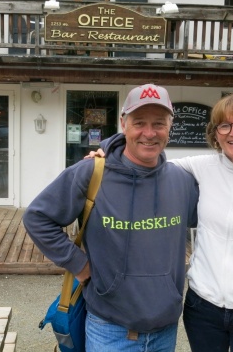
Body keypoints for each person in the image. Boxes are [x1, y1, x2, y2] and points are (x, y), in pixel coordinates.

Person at [90, 92, 233, 352]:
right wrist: (106, 149)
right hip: (204, 308)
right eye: (224, 126)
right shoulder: (201, 167)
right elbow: (145, 157)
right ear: (215, 133)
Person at [23, 84, 199, 352]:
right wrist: (78, 265)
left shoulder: (182, 180)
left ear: (170, 127)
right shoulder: (91, 173)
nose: (149, 133)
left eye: (159, 124)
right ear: (123, 123)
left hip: (165, 329)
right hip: (109, 329)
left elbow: (222, 212)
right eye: (139, 122)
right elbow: (37, 218)